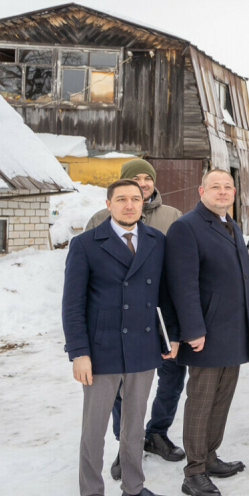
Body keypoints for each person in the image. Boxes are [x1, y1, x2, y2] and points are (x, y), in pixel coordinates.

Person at [63, 179, 177, 496]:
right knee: (94, 430)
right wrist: (79, 352)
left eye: (136, 199)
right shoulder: (85, 244)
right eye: (122, 199)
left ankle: (133, 489)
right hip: (102, 349)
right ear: (109, 203)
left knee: (133, 426)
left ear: (144, 203)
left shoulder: (157, 241)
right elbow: (73, 303)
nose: (130, 205)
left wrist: (169, 336)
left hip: (143, 347)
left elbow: (164, 294)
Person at [85, 158, 185, 474]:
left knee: (171, 375)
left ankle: (156, 431)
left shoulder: (172, 217)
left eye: (147, 178)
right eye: (135, 178)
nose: (143, 183)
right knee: (120, 385)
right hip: (121, 318)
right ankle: (126, 444)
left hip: (161, 313)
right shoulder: (102, 218)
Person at [166, 169, 249, 496]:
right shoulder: (186, 227)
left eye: (228, 187)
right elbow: (183, 283)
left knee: (222, 399)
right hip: (205, 332)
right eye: (216, 187)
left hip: (233, 329)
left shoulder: (230, 224)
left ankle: (210, 455)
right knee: (202, 401)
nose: (223, 192)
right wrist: (192, 329)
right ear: (202, 190)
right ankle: (194, 472)